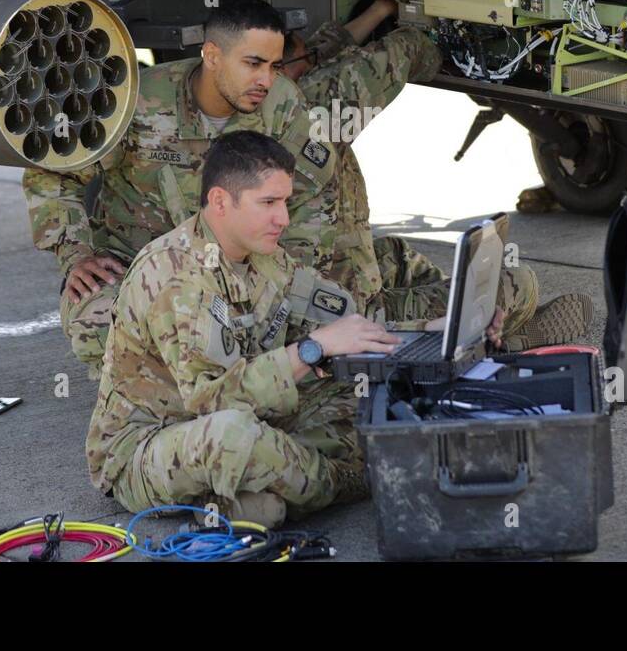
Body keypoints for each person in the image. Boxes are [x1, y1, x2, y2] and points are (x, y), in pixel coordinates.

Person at [85, 131, 507, 527]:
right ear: (220, 201)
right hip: (153, 444)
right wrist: (311, 350)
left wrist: (431, 329)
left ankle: (255, 495)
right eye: (269, 203)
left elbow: (345, 322)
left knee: (361, 395)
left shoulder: (262, 254)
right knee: (235, 435)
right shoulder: (176, 277)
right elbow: (211, 401)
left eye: (285, 202)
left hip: (251, 410)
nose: (283, 218)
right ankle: (348, 482)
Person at [22, 0, 339, 373]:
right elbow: (56, 174)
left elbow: (313, 195)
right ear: (212, 55)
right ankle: (154, 397)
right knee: (96, 322)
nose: (266, 80)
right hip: (140, 267)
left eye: (274, 65)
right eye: (253, 64)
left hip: (242, 268)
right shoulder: (136, 103)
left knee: (321, 327)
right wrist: (76, 254)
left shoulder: (281, 105)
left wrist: (289, 280)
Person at [283, 0, 592, 351]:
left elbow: (319, 53)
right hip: (348, 312)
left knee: (394, 255)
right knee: (518, 284)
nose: (315, 62)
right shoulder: (310, 113)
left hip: (338, 275)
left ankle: (472, 324)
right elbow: (405, 51)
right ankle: (483, 341)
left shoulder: (266, 101)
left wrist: (383, 9)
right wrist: (442, 29)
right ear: (278, 71)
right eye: (306, 60)